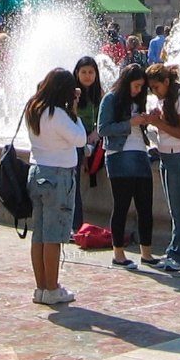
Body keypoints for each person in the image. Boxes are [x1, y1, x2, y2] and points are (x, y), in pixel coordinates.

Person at [24, 68, 86, 306]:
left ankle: (41, 287)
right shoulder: (58, 114)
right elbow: (80, 138)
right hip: (58, 176)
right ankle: (52, 288)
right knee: (54, 237)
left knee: (39, 234)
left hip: (37, 171)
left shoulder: (33, 108)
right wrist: (74, 112)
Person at [98, 63, 159, 268]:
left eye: (141, 87)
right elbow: (103, 129)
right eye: (136, 86)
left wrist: (147, 120)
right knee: (122, 206)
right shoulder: (111, 99)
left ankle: (147, 253)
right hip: (119, 155)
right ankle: (118, 254)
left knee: (145, 206)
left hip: (140, 153)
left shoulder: (138, 101)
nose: (139, 90)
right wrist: (130, 123)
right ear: (126, 83)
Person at [145, 62, 180, 272]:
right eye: (151, 88)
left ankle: (176, 254)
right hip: (166, 157)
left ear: (167, 82)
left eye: (156, 87)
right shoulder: (165, 101)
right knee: (177, 207)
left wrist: (159, 123)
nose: (154, 92)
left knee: (177, 208)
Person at [71, 56, 105, 233]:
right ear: (77, 73)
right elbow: (69, 118)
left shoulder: (99, 93)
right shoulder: (72, 93)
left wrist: (97, 132)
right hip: (75, 142)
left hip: (93, 142)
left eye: (91, 72)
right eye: (83, 72)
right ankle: (75, 225)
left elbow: (104, 117)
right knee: (74, 183)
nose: (87, 76)